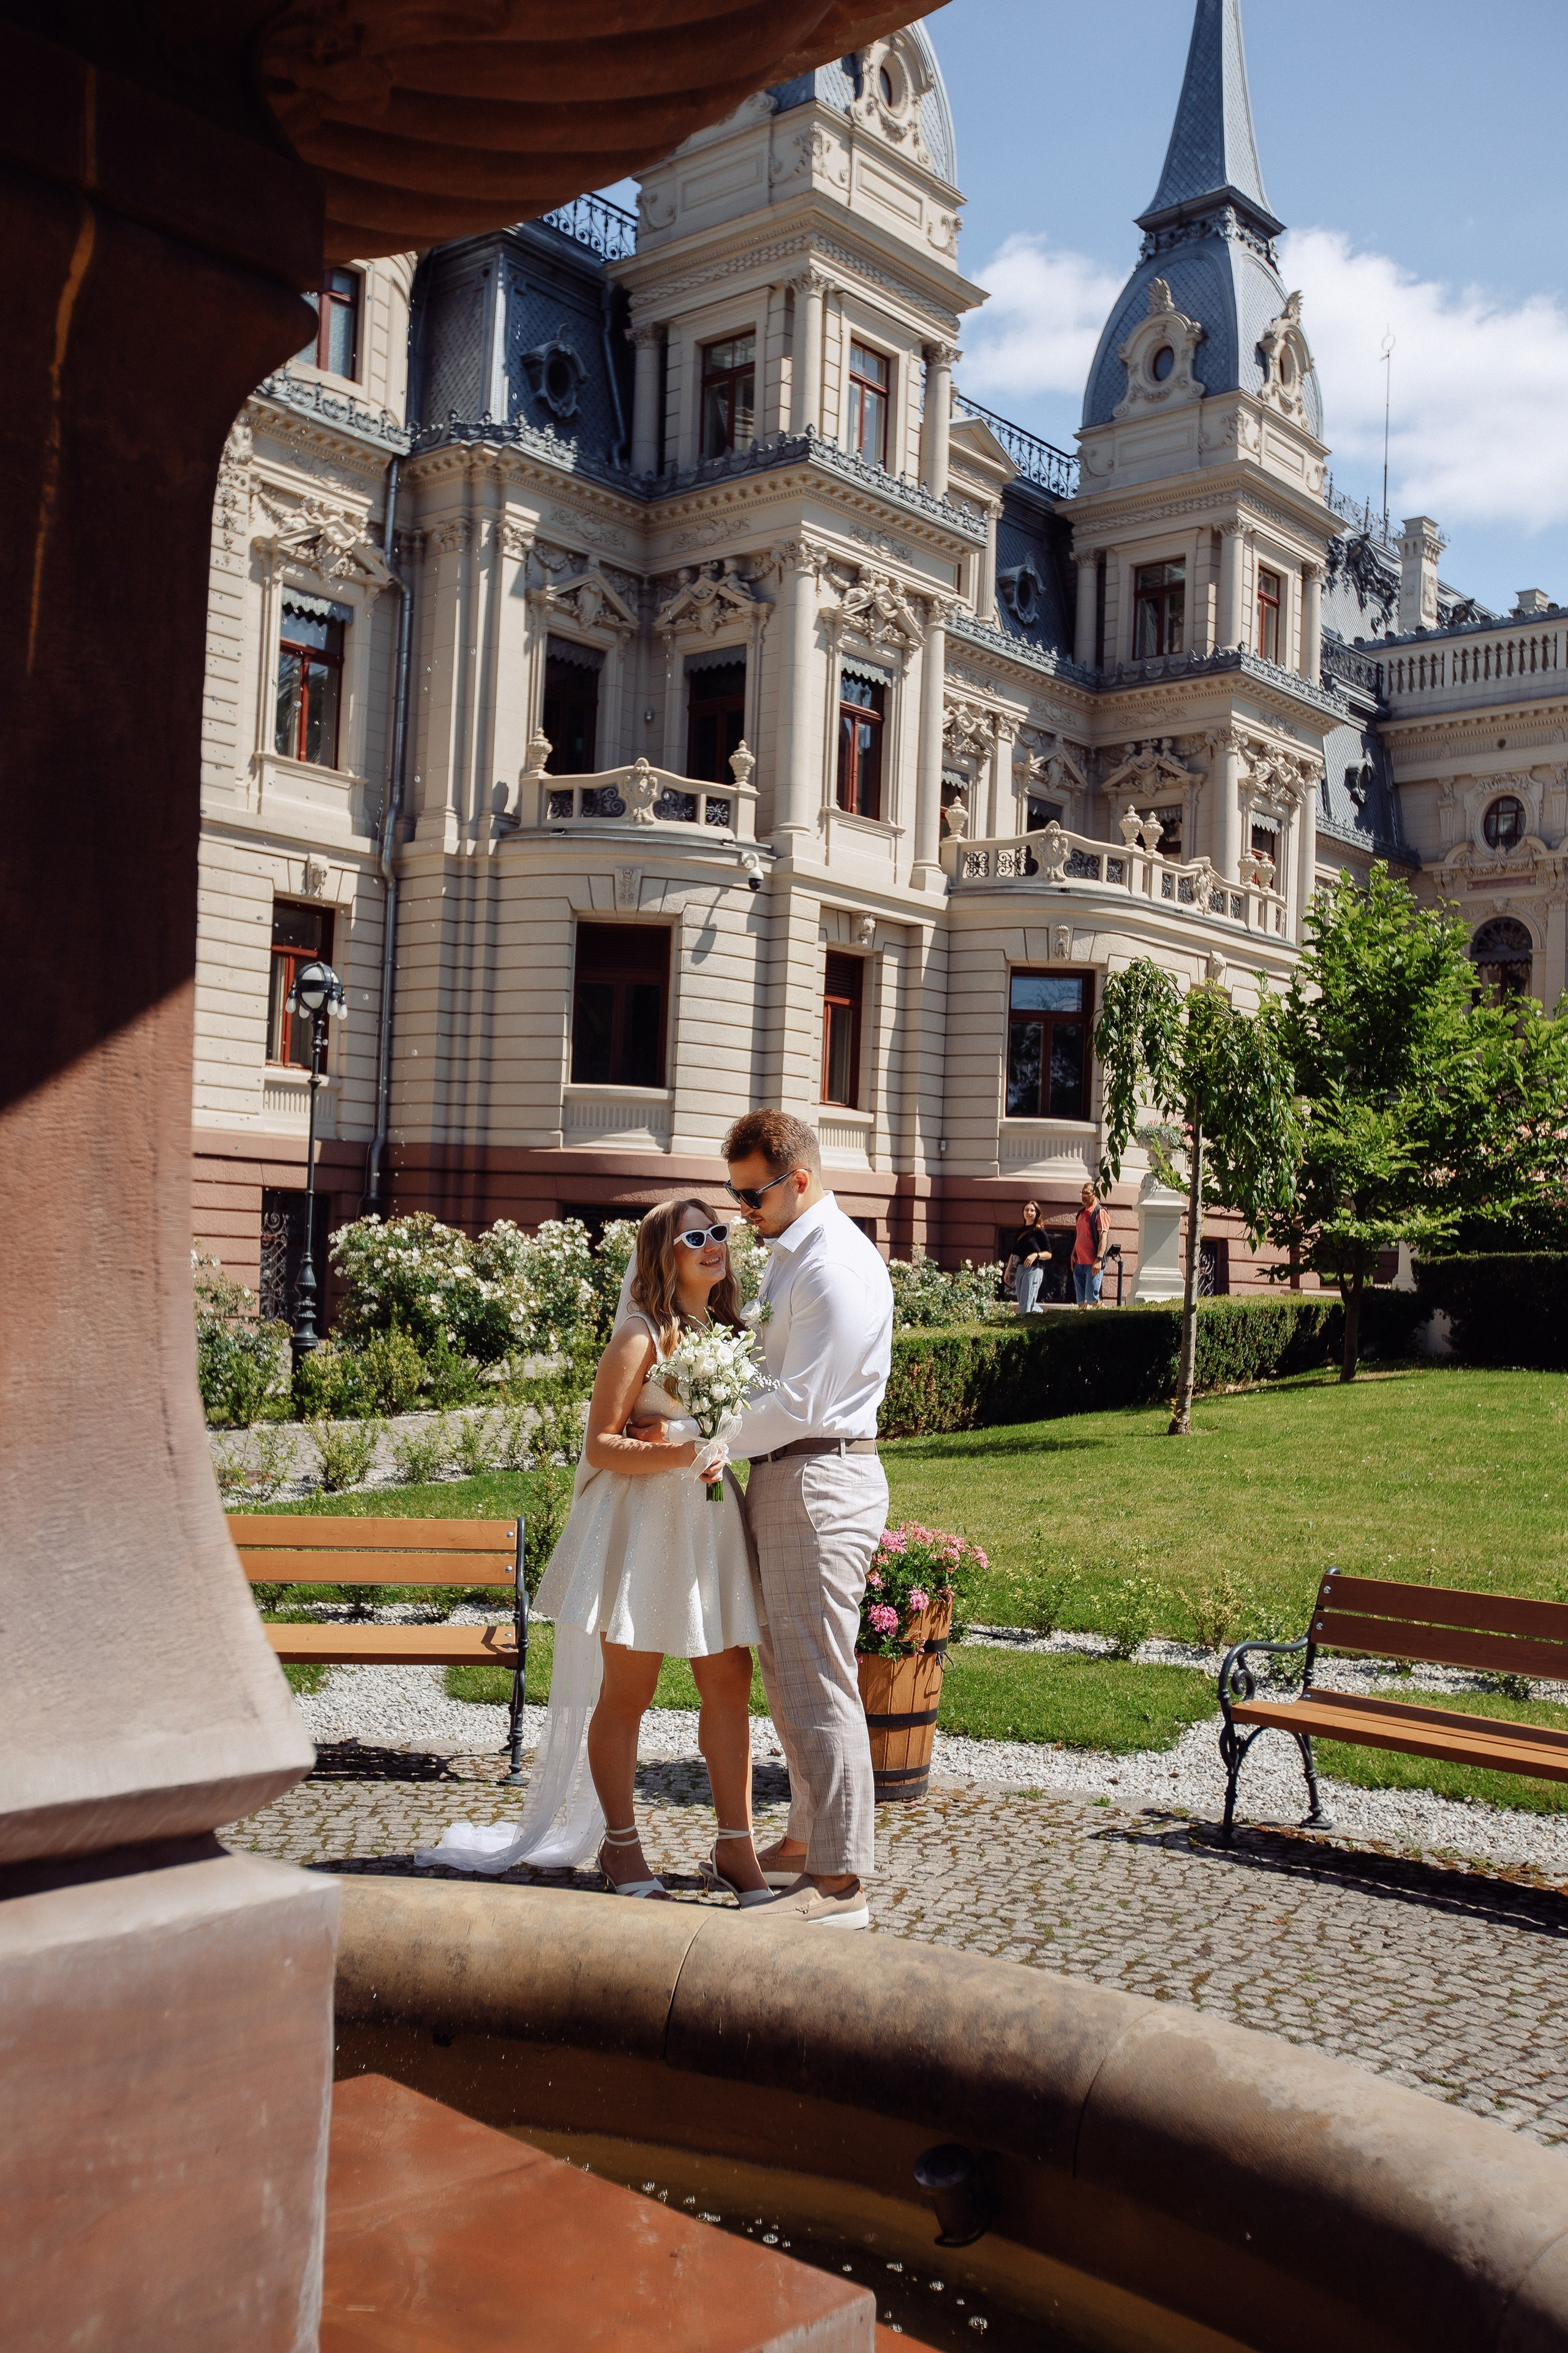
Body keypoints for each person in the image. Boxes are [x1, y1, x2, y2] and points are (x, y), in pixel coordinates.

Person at [415, 1197, 772, 1905]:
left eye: (719, 1232)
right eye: (693, 1236)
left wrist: (714, 1443)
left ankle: (737, 1847)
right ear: (662, 1255)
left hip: (709, 1525)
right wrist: (678, 1451)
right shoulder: (638, 1336)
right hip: (643, 1527)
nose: (712, 1245)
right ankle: (620, 1847)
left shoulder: (729, 1332)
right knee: (630, 1693)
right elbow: (600, 1446)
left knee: (730, 1683)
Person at [714, 1109, 895, 1932]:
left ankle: (839, 1881)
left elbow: (802, 1402)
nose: (741, 1209)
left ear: (799, 1181)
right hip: (793, 1473)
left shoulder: (831, 1267)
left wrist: (703, 1436)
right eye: (734, 1192)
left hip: (820, 1473)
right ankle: (805, 1836)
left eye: (751, 1194)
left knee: (820, 1678)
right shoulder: (799, 1255)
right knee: (790, 1673)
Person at [1004, 1201, 1050, 1315]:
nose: (1029, 1212)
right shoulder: (1021, 1231)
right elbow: (1014, 1253)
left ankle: (1024, 1326)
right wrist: (1007, 1271)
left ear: (1037, 1214)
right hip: (1021, 1269)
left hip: (1034, 1270)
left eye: (1032, 1210)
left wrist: (1036, 1255)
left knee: (1026, 1303)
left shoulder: (1040, 1232)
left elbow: (1049, 1254)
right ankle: (1043, 1317)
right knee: (1024, 1302)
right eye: (1026, 1210)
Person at [1072, 1182, 1109, 1307]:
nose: (1084, 1196)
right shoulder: (1081, 1214)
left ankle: (1104, 1314)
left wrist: (1099, 1259)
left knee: (1092, 1299)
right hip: (1079, 1263)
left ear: (1095, 1194)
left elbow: (1103, 1238)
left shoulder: (1100, 1212)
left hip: (1093, 1263)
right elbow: (1080, 1237)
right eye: (1082, 1193)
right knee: (1081, 1302)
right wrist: (1074, 1254)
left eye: (1087, 1193)